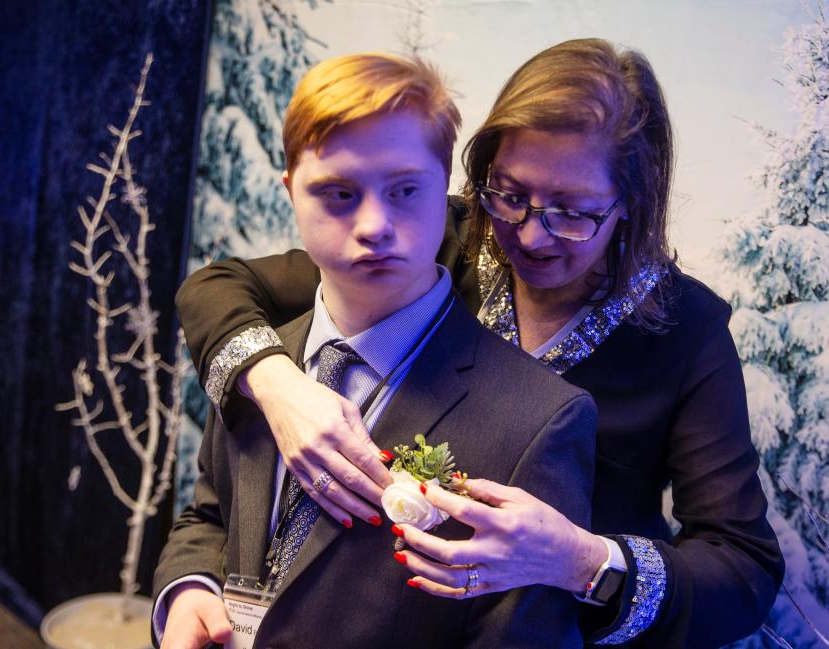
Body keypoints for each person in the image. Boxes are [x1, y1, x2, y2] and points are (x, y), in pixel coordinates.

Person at [177, 39, 784, 647]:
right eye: (511, 194)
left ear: (630, 203)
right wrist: (279, 388)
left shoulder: (685, 328)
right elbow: (217, 287)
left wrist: (582, 560)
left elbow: (743, 568)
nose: (531, 235)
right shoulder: (435, 234)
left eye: (572, 212)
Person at [153, 52, 599, 649]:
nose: (373, 225)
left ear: (445, 188)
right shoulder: (262, 360)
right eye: (337, 193)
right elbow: (210, 516)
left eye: (405, 190)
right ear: (292, 193)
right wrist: (187, 590)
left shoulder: (538, 421)